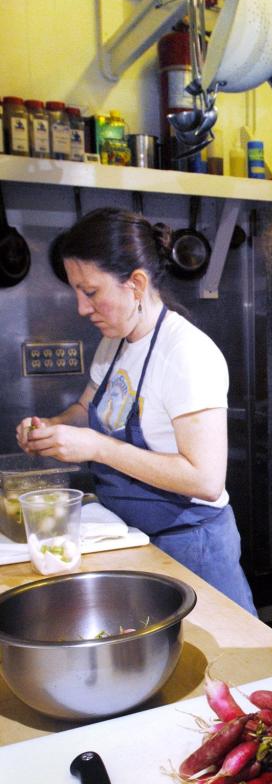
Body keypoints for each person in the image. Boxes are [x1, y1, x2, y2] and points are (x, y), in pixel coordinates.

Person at [16, 207, 255, 613]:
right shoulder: (117, 341)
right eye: (76, 291)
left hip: (189, 547)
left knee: (227, 669)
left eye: (90, 291)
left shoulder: (187, 354)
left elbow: (206, 479)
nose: (80, 308)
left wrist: (95, 446)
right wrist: (54, 428)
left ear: (136, 284)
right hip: (134, 537)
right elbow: (86, 407)